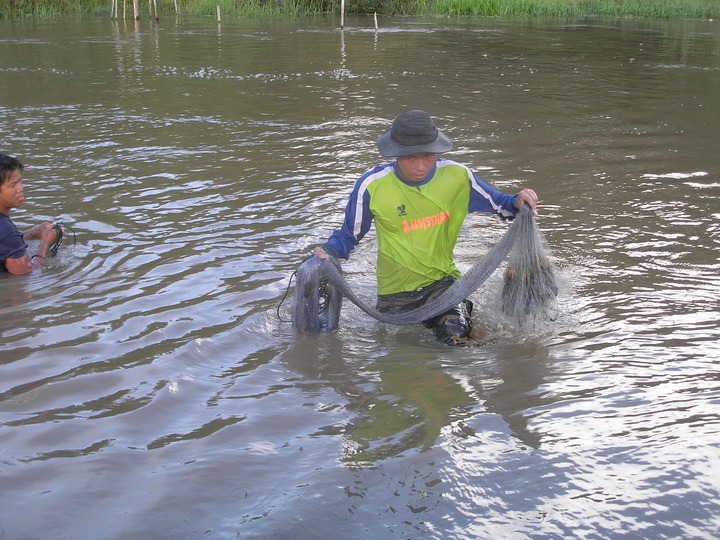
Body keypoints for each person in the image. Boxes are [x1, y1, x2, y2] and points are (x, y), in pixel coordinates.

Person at [313, 110, 539, 346]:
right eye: (410, 157)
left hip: (442, 286)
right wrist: (328, 252)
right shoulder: (372, 185)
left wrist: (518, 200)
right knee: (401, 355)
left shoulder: (458, 177)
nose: (420, 166)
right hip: (394, 296)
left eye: (427, 156)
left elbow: (502, 205)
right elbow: (349, 235)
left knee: (456, 339)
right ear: (396, 154)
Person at [0, 153, 60, 275]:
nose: (20, 188)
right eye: (13, 185)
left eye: (19, 181)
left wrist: (30, 234)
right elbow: (28, 275)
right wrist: (45, 244)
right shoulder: (5, 230)